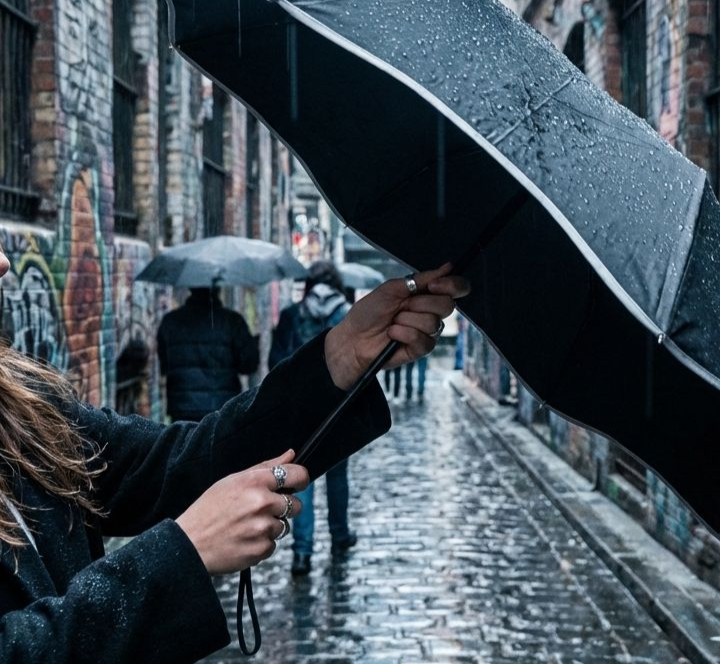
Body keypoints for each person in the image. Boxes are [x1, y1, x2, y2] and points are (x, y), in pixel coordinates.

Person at [0, 240, 467, 663]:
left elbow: (180, 462)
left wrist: (342, 356)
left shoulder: (25, 405)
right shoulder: (230, 322)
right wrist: (182, 552)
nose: (3, 262)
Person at [269, 261, 354, 576]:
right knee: (337, 477)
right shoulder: (348, 315)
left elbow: (276, 362)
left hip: (300, 413)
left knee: (301, 482)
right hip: (340, 411)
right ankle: (340, 535)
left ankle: (302, 554)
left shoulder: (292, 315)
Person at [157, 285, 259, 421]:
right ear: (218, 289)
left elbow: (164, 364)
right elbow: (249, 365)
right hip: (223, 409)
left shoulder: (170, 321)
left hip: (183, 408)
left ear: (191, 288)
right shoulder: (233, 321)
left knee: (186, 442)